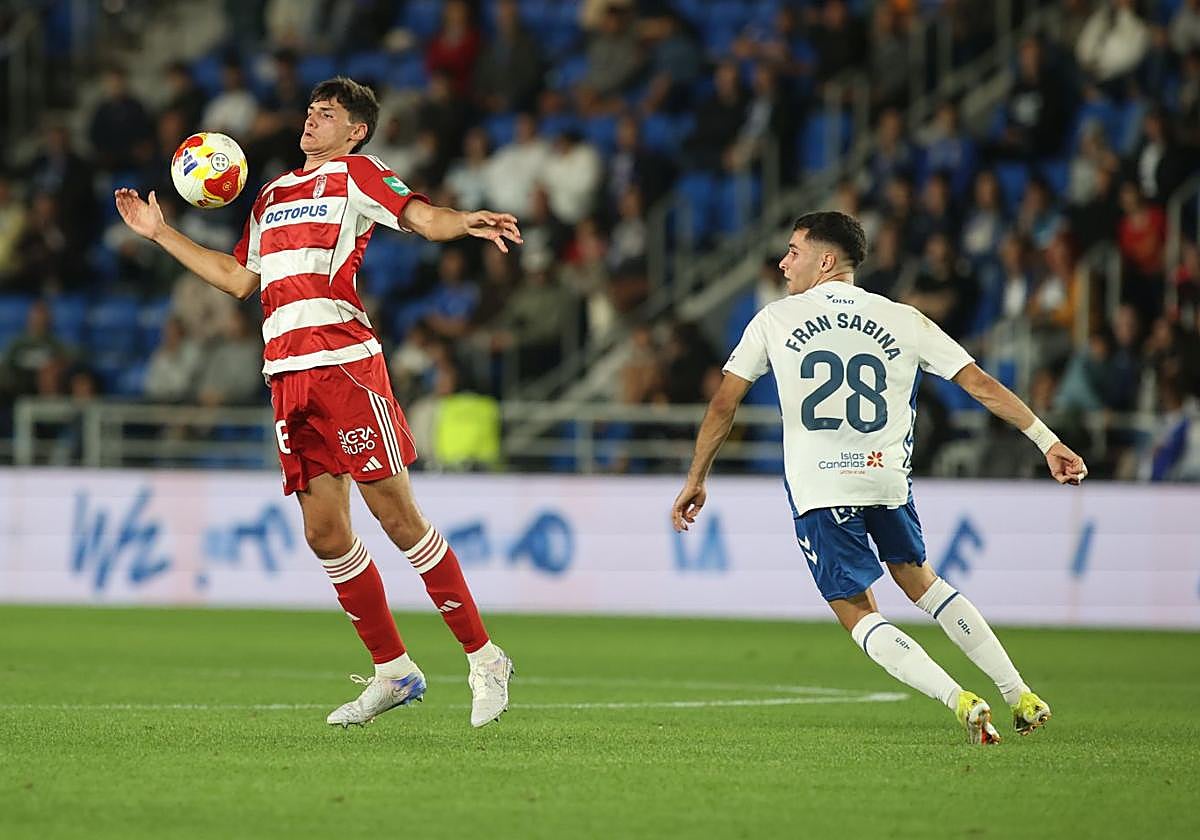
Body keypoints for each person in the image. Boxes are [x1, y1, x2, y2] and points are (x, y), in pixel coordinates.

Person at [114, 76, 520, 729]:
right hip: (287, 376)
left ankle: (485, 657)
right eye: (309, 110)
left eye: (325, 114)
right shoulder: (271, 194)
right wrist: (159, 231)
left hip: (344, 367)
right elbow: (237, 279)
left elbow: (419, 216)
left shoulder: (358, 174)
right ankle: (394, 671)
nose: (310, 121)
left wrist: (461, 224)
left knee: (397, 517)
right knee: (324, 533)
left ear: (355, 130)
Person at [671, 212, 1087, 744]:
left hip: (821, 490)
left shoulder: (775, 320)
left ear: (825, 260)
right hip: (886, 481)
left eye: (793, 251)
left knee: (858, 613)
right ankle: (1019, 694)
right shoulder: (903, 318)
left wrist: (696, 478)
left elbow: (723, 404)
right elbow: (979, 384)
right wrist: (1048, 442)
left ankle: (958, 699)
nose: (783, 262)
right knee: (925, 584)